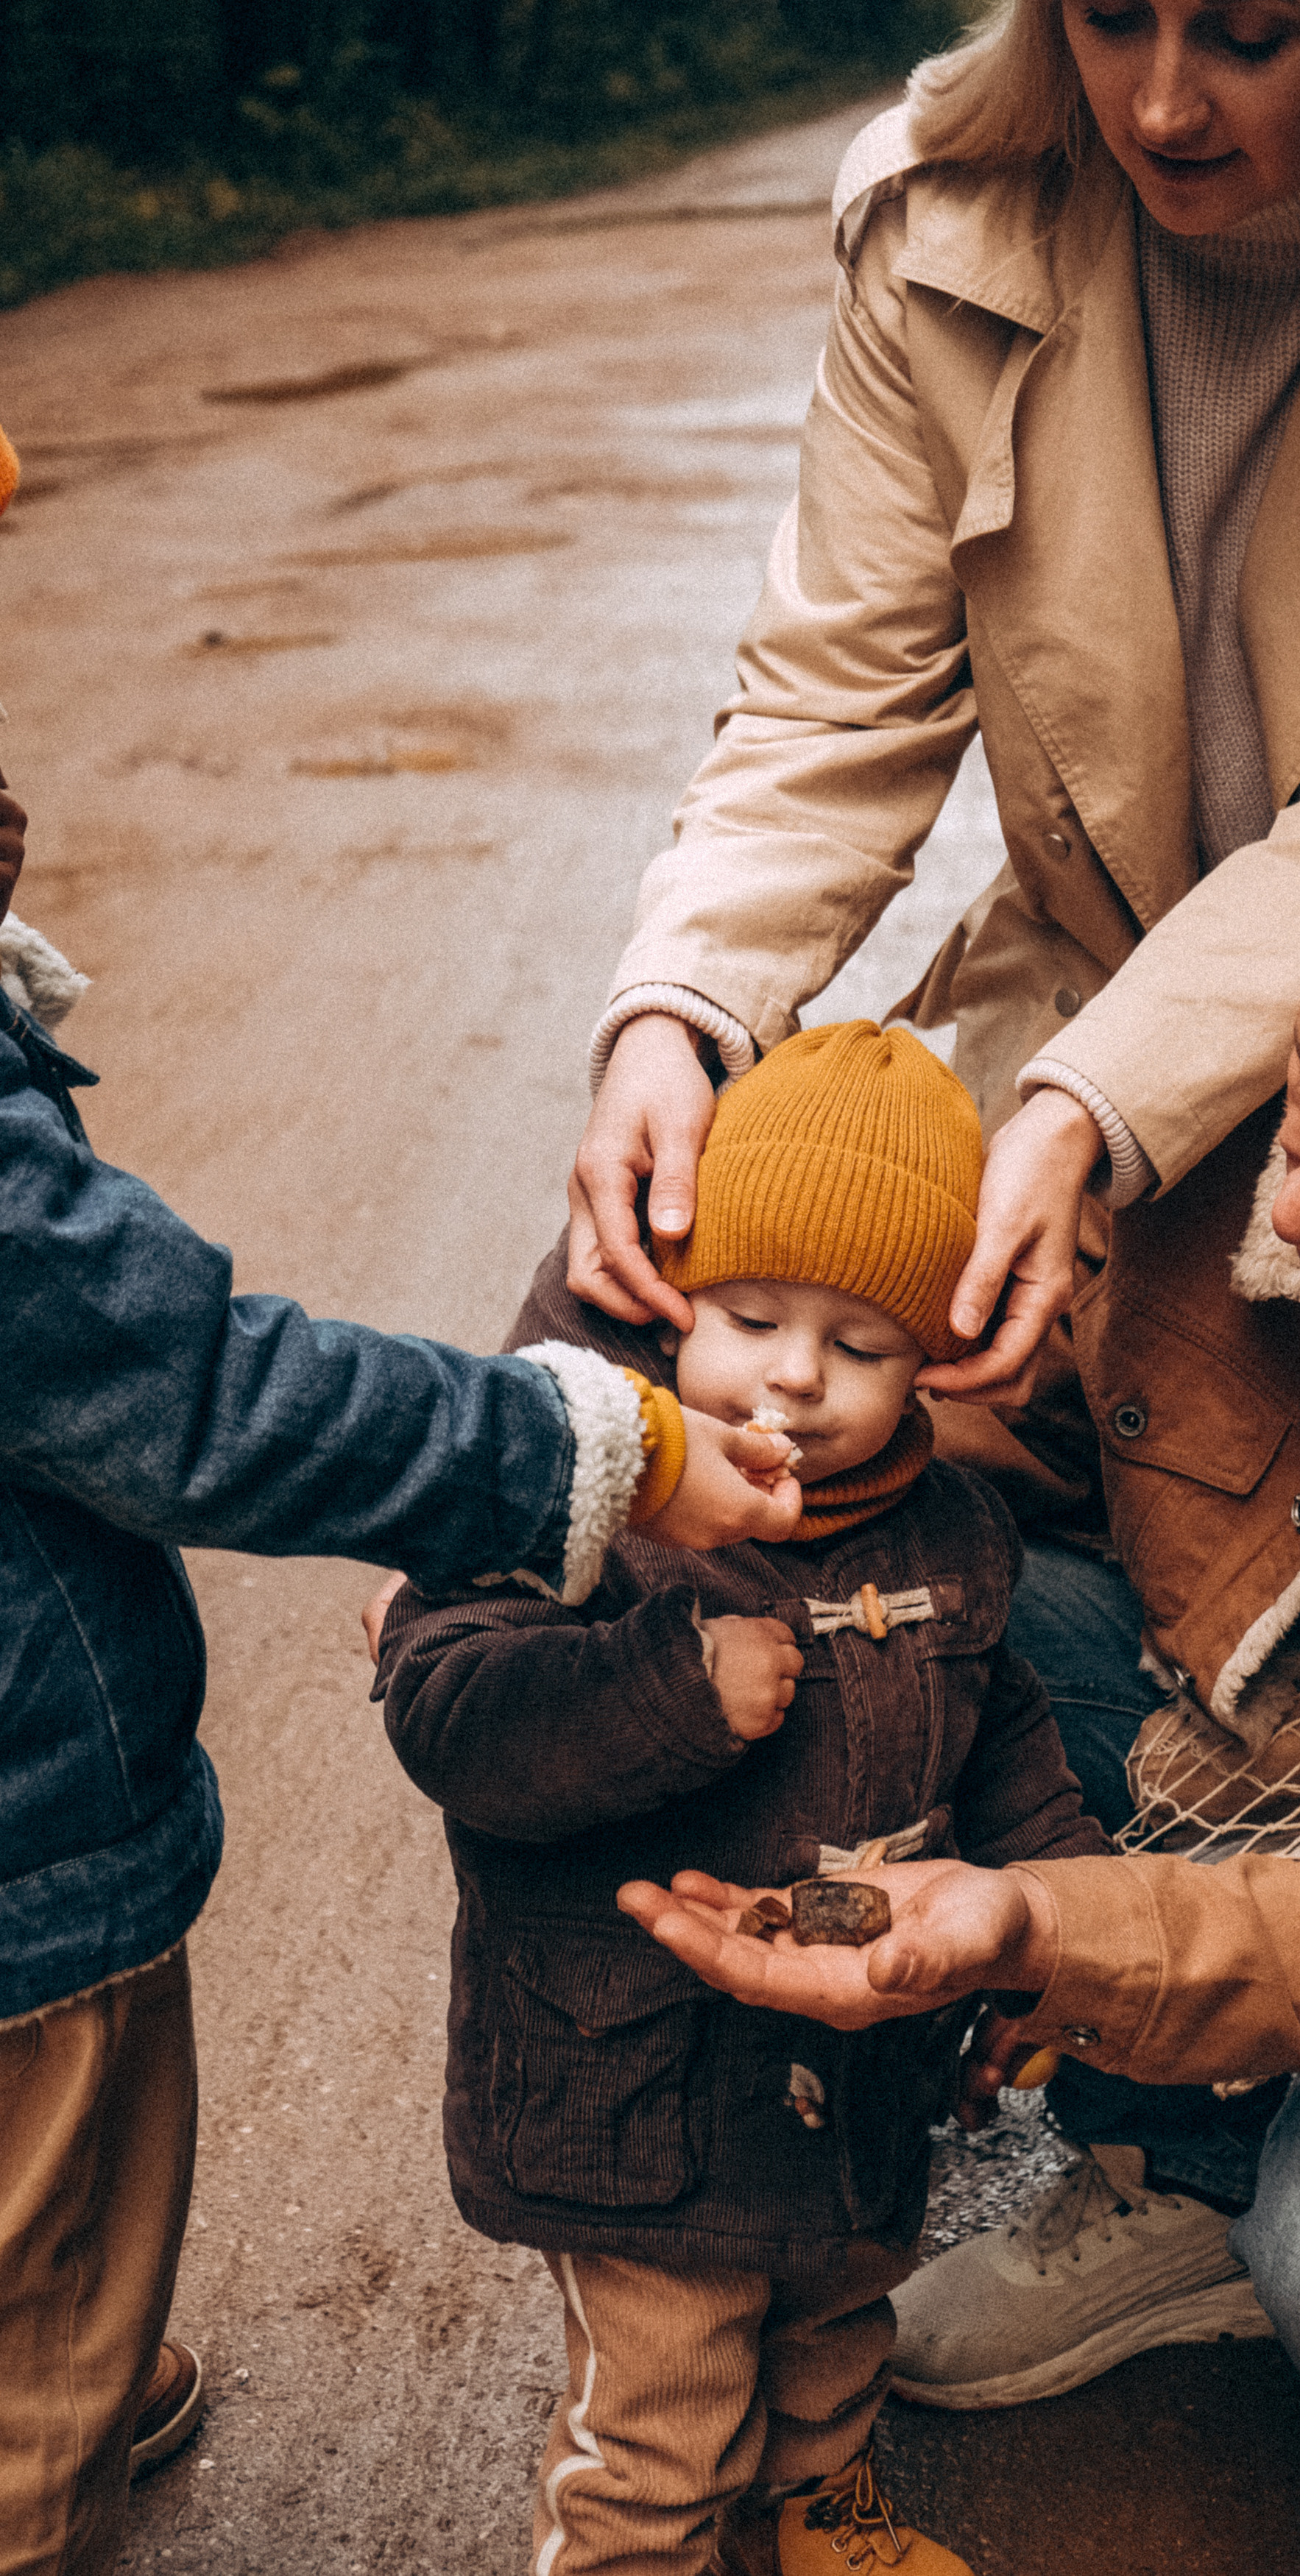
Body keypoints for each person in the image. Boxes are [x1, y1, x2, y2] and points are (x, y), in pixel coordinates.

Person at [570, 0, 1300, 2405]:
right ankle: (1190, 2088)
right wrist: (679, 1010)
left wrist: (1113, 1114)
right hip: (1246, 1017)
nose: (1164, 101)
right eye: (1110, 15)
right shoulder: (947, 220)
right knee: (762, 1419)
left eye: (1257, 30)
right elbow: (832, 691)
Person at [622, 768, 1300, 2510]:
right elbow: (952, 1449)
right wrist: (596, 1507)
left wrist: (1036, 1924)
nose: (1296, 1205)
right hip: (1273, 1741)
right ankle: (1203, 2160)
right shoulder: (1218, 1120)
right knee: (849, 1619)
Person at [0, 623, 800, 2574]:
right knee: (44, 2238)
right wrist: (584, 1450)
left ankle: (67, 2349)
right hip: (20, 1850)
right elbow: (198, 1397)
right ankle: (46, 2413)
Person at [370, 1021, 1106, 2576]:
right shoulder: (580, 1491)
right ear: (673, 1297)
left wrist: (1070, 1924)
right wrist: (669, 1688)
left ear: (935, 1359)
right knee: (663, 2409)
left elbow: (1008, 1736)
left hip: (858, 2074)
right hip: (632, 2089)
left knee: (840, 2318)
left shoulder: (957, 1531)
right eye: (752, 1314)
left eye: (863, 1342)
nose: (795, 1371)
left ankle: (825, 2506)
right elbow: (448, 1709)